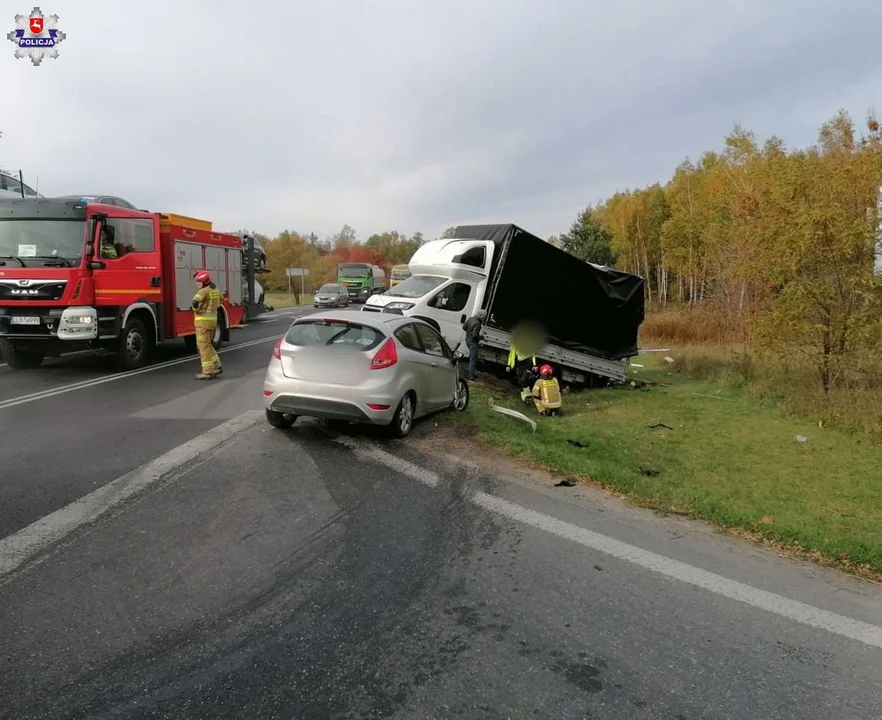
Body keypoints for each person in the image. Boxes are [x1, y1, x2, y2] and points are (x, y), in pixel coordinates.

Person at [192, 270, 223, 379]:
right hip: (212, 322)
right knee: (208, 345)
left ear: (205, 282)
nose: (197, 284)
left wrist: (197, 309)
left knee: (203, 347)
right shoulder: (215, 290)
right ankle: (217, 365)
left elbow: (194, 301)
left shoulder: (203, 291)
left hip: (202, 323)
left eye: (199, 282)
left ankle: (207, 371)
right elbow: (221, 299)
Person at [462, 309, 486, 380]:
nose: (484, 318)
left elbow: (464, 327)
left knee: (473, 358)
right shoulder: (478, 324)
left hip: (467, 340)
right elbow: (475, 335)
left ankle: (472, 373)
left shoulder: (470, 319)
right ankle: (471, 376)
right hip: (473, 343)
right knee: (473, 360)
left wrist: (469, 333)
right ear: (481, 316)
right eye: (484, 317)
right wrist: (482, 337)